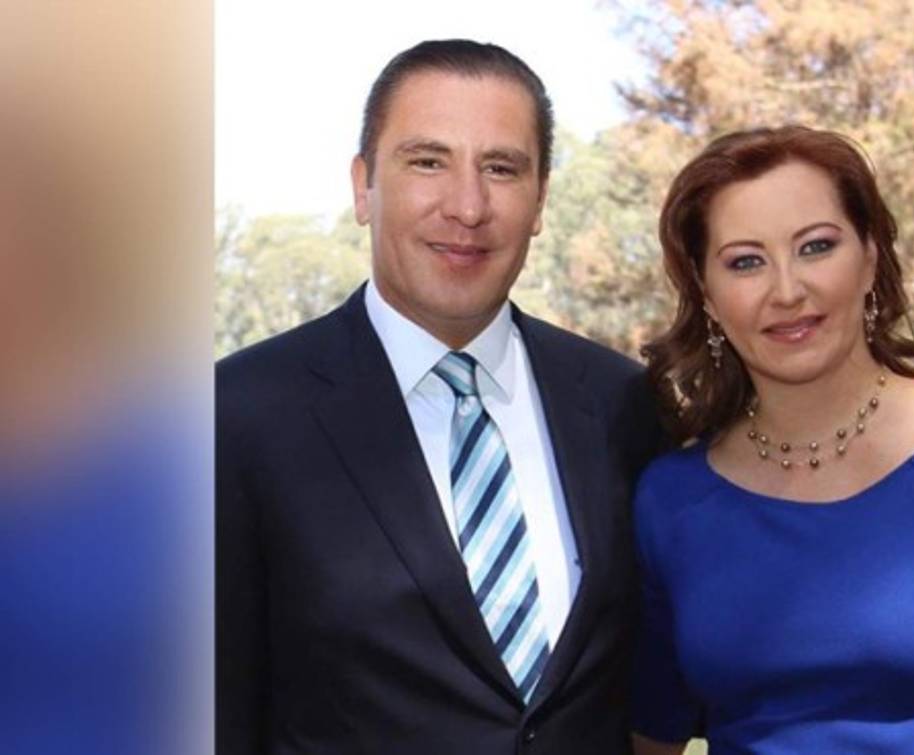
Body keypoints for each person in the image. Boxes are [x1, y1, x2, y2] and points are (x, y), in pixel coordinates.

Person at [216, 40, 659, 754]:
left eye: (501, 168)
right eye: (428, 161)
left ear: (541, 199)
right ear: (363, 187)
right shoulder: (232, 419)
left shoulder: (624, 405)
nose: (467, 206)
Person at [630, 126, 914, 754]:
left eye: (816, 247)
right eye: (745, 262)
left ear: (870, 257)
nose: (787, 291)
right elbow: (648, 738)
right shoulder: (671, 500)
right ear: (707, 297)